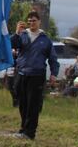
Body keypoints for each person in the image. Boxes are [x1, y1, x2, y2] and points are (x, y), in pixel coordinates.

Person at [10, 11, 59, 140]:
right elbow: (11, 44)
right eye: (30, 21)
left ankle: (30, 132)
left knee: (33, 104)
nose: (32, 23)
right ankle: (23, 129)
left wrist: (54, 73)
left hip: (37, 75)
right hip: (22, 73)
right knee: (22, 103)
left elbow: (53, 58)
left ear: (39, 22)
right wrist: (16, 33)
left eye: (34, 20)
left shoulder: (45, 39)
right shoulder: (22, 36)